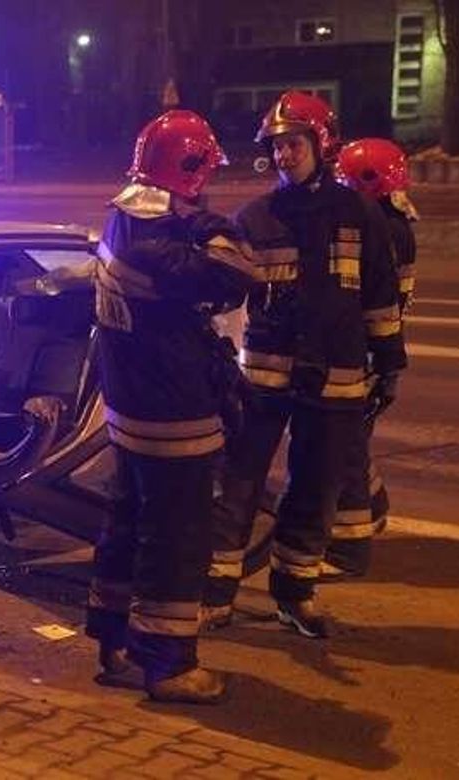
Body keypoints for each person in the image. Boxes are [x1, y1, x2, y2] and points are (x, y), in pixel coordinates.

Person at [202, 92, 407, 637]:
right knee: (237, 485)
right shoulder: (256, 218)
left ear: (322, 144)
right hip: (264, 378)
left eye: (294, 144)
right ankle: (214, 594)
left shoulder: (359, 216)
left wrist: (388, 364)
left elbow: (380, 299)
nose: (285, 155)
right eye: (278, 146)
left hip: (337, 378)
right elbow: (225, 298)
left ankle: (295, 594)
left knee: (314, 491)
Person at [85, 109, 260, 704]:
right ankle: (170, 664)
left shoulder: (122, 222)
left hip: (132, 412)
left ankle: (114, 639)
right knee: (178, 537)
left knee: (128, 522)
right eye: (203, 173)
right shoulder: (161, 242)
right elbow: (233, 276)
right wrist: (210, 224)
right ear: (188, 170)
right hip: (173, 414)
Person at [323, 138, 418, 577]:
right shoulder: (399, 221)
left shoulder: (378, 227)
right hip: (378, 347)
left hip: (360, 350)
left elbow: (365, 297)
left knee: (345, 448)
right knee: (355, 439)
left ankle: (348, 547)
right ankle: (375, 504)